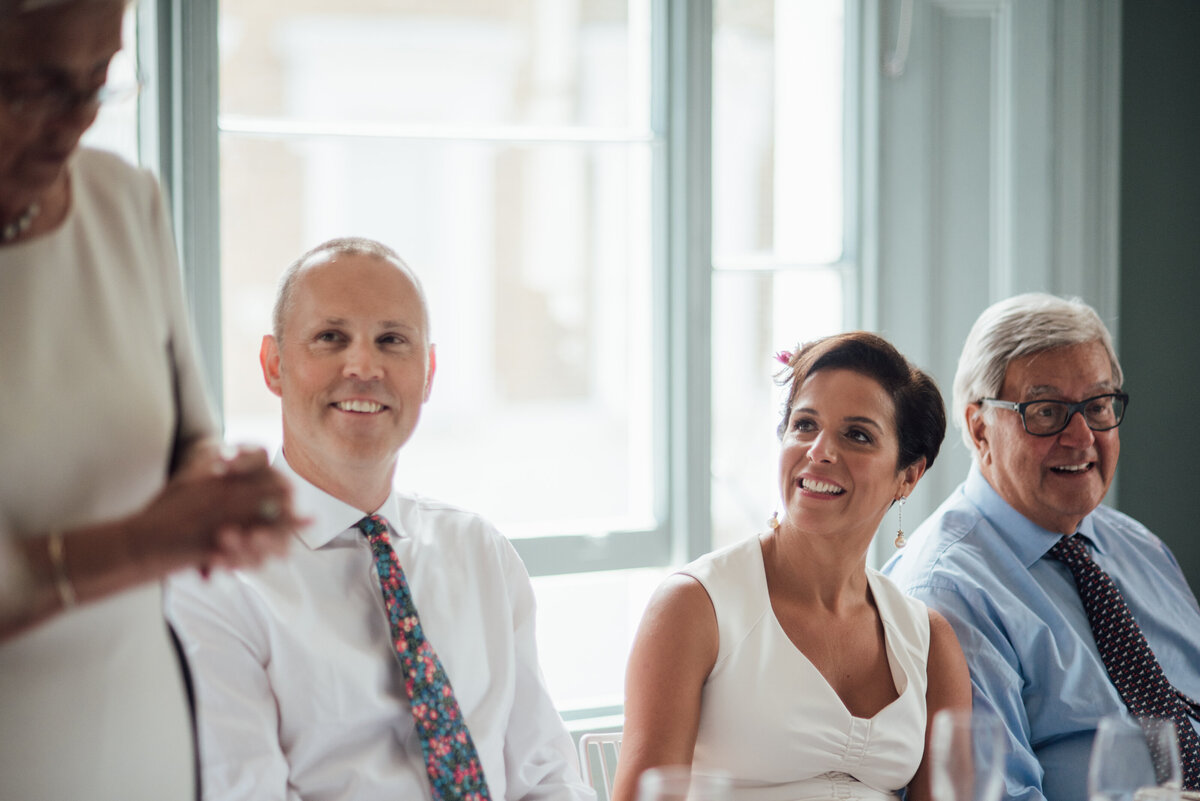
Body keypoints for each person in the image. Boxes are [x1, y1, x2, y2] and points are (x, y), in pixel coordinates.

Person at [166, 237, 593, 801]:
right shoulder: (216, 581)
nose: (364, 367)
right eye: (330, 338)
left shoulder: (480, 551)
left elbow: (547, 779)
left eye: (392, 340)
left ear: (428, 371)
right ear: (273, 365)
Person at [0, 2, 301, 800]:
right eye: (34, 86)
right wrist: (145, 542)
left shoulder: (127, 202)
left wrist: (224, 488)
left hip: (140, 739)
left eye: (98, 82)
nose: (73, 125)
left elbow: (191, 432)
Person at [612, 332, 971, 801]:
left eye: (857, 435)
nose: (820, 450)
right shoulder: (694, 607)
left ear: (908, 475)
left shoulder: (929, 641)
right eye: (805, 425)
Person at [883, 293, 1200, 801]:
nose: (1082, 437)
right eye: (1047, 411)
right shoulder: (948, 592)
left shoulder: (1139, 547)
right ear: (979, 428)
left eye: (1098, 406)